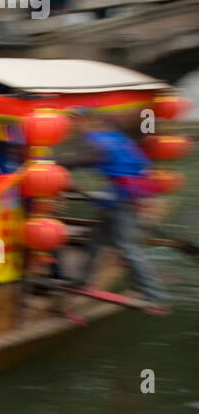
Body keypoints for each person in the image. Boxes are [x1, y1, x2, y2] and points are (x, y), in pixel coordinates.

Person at [63, 112, 168, 311]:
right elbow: (142, 164)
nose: (75, 127)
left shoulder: (96, 139)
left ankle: (154, 294)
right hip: (124, 194)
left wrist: (51, 163)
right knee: (96, 240)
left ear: (89, 122)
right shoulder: (118, 137)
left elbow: (84, 159)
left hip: (123, 196)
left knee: (125, 245)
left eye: (75, 122)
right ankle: (82, 281)